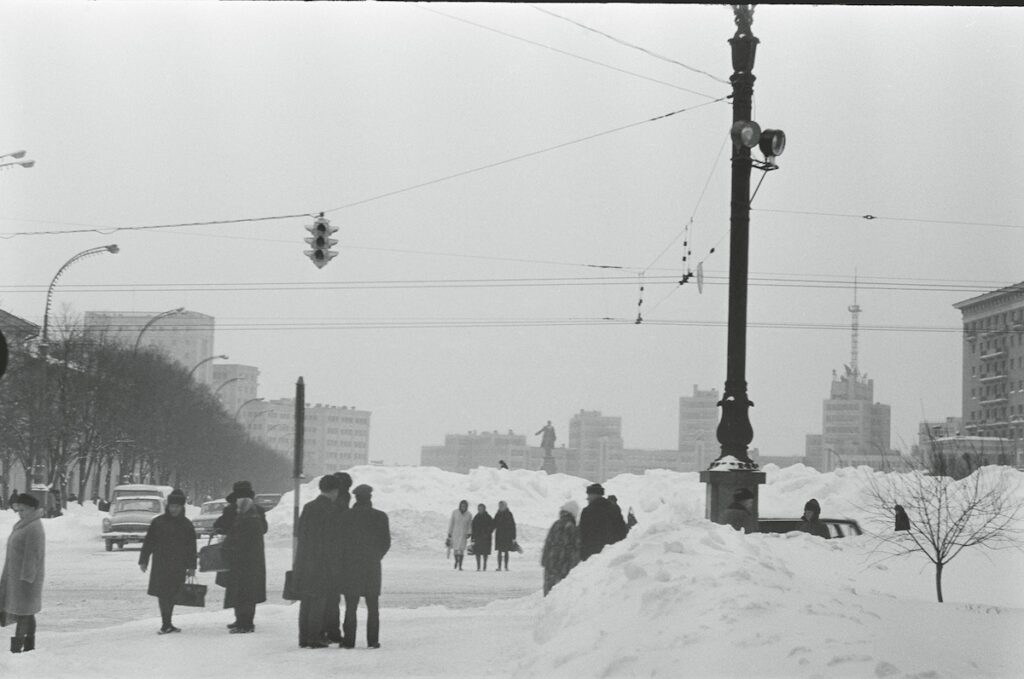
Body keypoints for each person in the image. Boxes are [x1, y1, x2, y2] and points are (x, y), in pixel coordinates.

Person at [338, 484, 390, 649]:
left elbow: (340, 542)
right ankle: (373, 640)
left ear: (356, 498)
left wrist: (345, 559)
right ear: (370, 498)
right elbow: (386, 542)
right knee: (373, 606)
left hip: (351, 567)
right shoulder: (380, 517)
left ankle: (349, 640)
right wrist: (376, 556)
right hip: (372, 566)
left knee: (351, 606)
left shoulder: (346, 516)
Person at [139, 488, 197, 634]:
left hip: (178, 565)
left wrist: (191, 566)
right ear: (168, 506)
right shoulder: (158, 522)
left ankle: (168, 623)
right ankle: (166, 624)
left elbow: (191, 547)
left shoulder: (187, 525)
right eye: (172, 506)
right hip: (161, 564)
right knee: (163, 594)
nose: (174, 509)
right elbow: (149, 542)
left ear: (182, 507)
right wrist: (143, 560)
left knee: (173, 594)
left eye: (177, 506)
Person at [294, 474, 342, 649]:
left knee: (306, 601)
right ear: (335, 491)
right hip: (322, 563)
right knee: (319, 601)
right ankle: (314, 638)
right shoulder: (331, 510)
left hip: (305, 560)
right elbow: (332, 540)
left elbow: (300, 532)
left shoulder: (309, 507)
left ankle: (303, 638)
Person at [217, 482, 267, 634]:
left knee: (237, 589)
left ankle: (242, 622)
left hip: (236, 557)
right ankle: (246, 621)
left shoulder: (231, 510)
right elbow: (264, 529)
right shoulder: (258, 510)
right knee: (250, 590)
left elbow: (220, 525)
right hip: (254, 557)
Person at [0, 493, 45, 653]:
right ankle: (29, 647)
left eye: (23, 510)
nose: (20, 513)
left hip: (25, 580)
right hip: (16, 577)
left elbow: (33, 555)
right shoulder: (24, 524)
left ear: (32, 508)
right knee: (27, 612)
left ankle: (17, 649)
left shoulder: (34, 527)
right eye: (18, 510)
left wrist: (27, 578)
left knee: (24, 612)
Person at [322, 471, 353, 645]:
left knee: (328, 596)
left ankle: (329, 630)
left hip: (329, 556)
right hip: (339, 557)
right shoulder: (345, 502)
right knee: (333, 596)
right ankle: (333, 630)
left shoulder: (334, 504)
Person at [578, 483, 627, 561]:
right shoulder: (614, 509)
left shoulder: (587, 511)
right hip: (612, 554)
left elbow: (583, 534)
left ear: (594, 495)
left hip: (592, 555)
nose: (587, 498)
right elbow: (622, 531)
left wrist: (583, 555)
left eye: (589, 495)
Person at [541, 501, 580, 596]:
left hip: (550, 564)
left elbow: (548, 544)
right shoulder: (572, 527)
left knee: (549, 592)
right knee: (561, 593)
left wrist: (544, 560)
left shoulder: (556, 524)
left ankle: (547, 603)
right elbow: (575, 549)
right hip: (563, 566)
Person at [447, 500, 473, 571]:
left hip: (463, 534)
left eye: (464, 506)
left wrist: (469, 532)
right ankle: (456, 561)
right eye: (462, 505)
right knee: (455, 549)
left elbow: (469, 525)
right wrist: (450, 532)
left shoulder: (469, 514)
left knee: (461, 549)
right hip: (455, 533)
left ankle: (460, 565)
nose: (463, 507)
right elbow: (452, 522)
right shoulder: (455, 512)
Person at [493, 500, 517, 572]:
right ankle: (499, 566)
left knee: (506, 551)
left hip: (507, 535)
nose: (501, 507)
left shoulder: (509, 514)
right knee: (499, 551)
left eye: (502, 506)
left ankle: (506, 566)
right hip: (499, 535)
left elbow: (513, 525)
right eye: (500, 506)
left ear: (505, 506)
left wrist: (513, 536)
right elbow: (494, 524)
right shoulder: (497, 514)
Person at [471, 503, 494, 571]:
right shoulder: (476, 517)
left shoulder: (488, 517)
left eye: (481, 509)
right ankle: (478, 567)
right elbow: (473, 528)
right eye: (479, 509)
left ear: (484, 509)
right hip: (478, 537)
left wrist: (488, 532)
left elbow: (492, 526)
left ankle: (484, 566)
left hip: (486, 538)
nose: (480, 510)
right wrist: (473, 538)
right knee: (477, 552)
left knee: (485, 553)